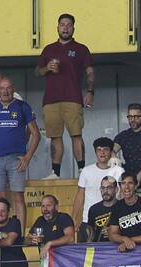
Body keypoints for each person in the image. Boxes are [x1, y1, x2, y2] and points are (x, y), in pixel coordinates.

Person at [36, 12, 94, 178]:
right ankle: (55, 172)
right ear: (57, 27)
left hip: (73, 98)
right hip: (51, 100)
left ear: (73, 28)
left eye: (69, 25)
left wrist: (90, 91)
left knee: (76, 134)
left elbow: (90, 73)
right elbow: (37, 71)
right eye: (63, 25)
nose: (65, 28)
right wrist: (47, 67)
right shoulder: (49, 49)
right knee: (55, 137)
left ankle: (82, 170)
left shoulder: (81, 49)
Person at [0, 76, 40, 215]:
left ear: (13, 89)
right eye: (2, 88)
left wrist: (27, 157)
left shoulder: (22, 106)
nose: (5, 91)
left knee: (18, 196)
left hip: (16, 159)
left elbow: (36, 134)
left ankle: (20, 234)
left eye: (8, 88)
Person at [74, 137, 121, 229]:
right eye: (99, 149)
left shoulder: (118, 171)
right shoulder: (86, 171)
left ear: (111, 152)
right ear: (95, 152)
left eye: (106, 149)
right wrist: (74, 218)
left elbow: (121, 194)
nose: (102, 152)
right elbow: (80, 195)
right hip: (88, 220)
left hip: (113, 220)